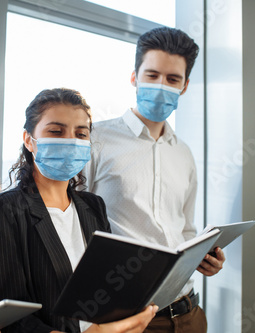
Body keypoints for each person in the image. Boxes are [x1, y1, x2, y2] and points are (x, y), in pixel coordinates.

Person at [83, 27, 226, 332]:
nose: (162, 85)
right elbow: (73, 227)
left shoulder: (184, 153)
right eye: (152, 75)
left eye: (172, 79)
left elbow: (185, 229)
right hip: (125, 317)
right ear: (134, 77)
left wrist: (203, 256)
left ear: (185, 86)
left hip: (189, 313)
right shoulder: (95, 140)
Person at [0, 88, 158, 333]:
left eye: (81, 134)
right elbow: (7, 316)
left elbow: (107, 285)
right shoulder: (6, 210)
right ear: (28, 140)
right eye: (56, 131)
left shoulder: (93, 206)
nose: (71, 141)